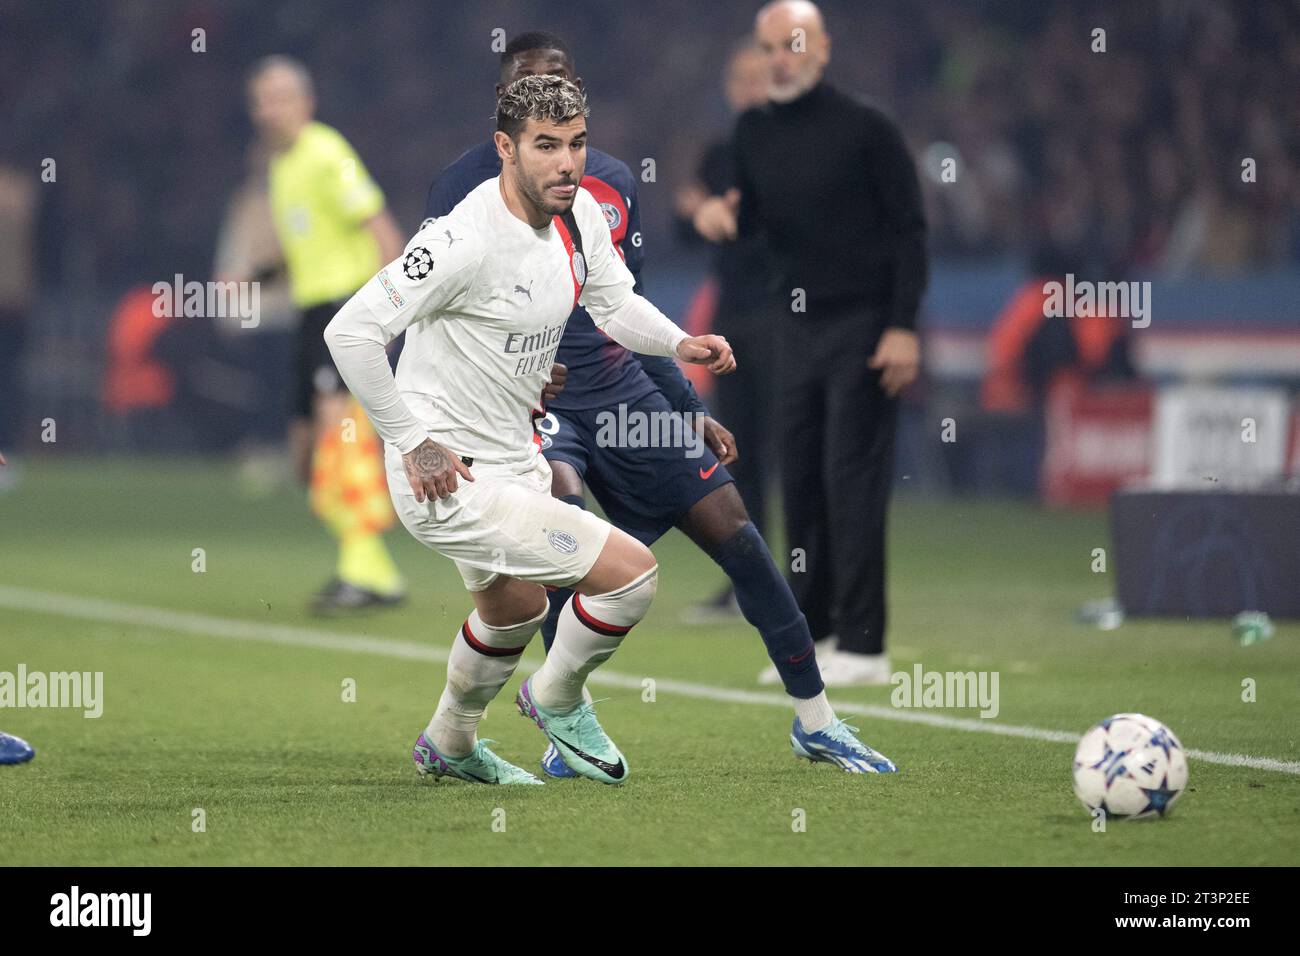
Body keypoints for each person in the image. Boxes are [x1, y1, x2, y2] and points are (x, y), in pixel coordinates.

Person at [426, 33, 898, 776]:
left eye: (560, 91)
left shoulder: (608, 183)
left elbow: (625, 303)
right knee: (562, 533)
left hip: (620, 390)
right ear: (504, 111)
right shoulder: (458, 188)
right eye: (529, 94)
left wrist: (685, 407)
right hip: (534, 406)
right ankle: (564, 724)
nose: (549, 110)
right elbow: (426, 316)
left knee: (737, 532)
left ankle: (818, 720)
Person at [326, 75, 736, 785]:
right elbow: (351, 331)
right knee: (631, 577)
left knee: (514, 606)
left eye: (576, 144)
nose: (566, 163)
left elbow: (615, 302)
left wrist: (680, 344)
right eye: (545, 146)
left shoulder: (578, 221)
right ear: (504, 149)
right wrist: (411, 439)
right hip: (444, 470)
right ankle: (556, 697)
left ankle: (449, 745)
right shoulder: (460, 238)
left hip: (514, 456)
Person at [695, 1, 928, 686]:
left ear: (822, 47)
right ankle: (817, 633)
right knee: (798, 480)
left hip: (864, 323)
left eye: (792, 43)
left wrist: (903, 326)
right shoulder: (753, 131)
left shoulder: (868, 128)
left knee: (850, 478)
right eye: (769, 47)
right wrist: (718, 216)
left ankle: (865, 644)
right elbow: (759, 225)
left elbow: (910, 232)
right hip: (793, 324)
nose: (780, 57)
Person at [243, 56, 408, 613]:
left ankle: (366, 572)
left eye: (278, 96)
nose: (267, 108)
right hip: (311, 314)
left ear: (304, 102)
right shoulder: (281, 167)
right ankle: (368, 565)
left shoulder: (325, 152)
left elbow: (384, 231)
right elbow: (303, 249)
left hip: (346, 309)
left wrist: (387, 315)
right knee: (304, 451)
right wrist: (257, 276)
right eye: (261, 98)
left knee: (338, 433)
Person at [673, 38, 777, 622]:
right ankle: (750, 584)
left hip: (793, 318)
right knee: (740, 453)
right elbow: (685, 226)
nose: (748, 87)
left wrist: (726, 218)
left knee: (801, 452)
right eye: (739, 77)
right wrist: (697, 215)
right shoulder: (721, 154)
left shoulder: (799, 150)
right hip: (736, 318)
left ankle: (815, 584)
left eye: (759, 76)